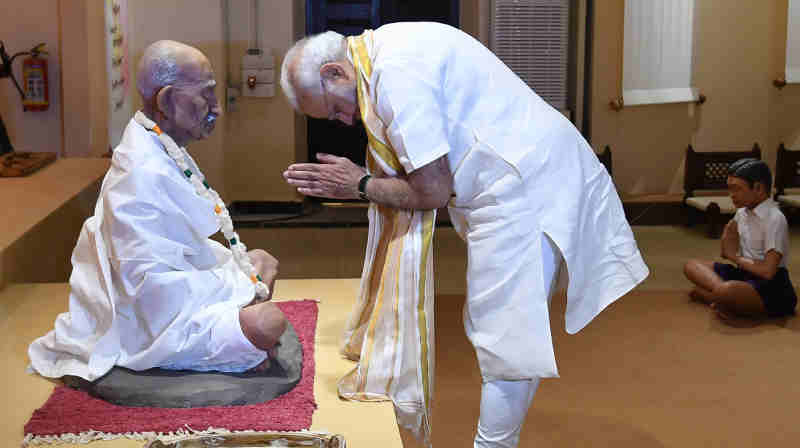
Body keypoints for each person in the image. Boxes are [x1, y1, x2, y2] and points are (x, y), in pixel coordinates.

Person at [280, 22, 649, 448]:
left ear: (334, 73)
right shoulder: (387, 44)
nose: (345, 121)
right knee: (505, 330)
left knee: (506, 336)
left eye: (333, 110)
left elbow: (430, 191)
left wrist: (359, 185)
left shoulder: (395, 74)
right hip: (519, 178)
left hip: (524, 187)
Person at [28, 40, 287, 382]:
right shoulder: (141, 170)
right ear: (166, 100)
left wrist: (234, 280)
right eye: (206, 96)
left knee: (262, 261)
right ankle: (228, 350)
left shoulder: (158, 142)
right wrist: (233, 287)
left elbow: (182, 250)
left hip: (180, 288)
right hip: (147, 324)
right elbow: (151, 292)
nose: (216, 109)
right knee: (268, 321)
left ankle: (237, 345)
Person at [684, 158, 797, 323]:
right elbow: (726, 250)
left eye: (736, 189)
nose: (731, 195)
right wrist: (726, 244)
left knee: (727, 290)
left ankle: (720, 297)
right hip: (744, 275)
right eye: (729, 189)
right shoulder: (742, 212)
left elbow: (768, 271)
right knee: (691, 266)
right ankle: (723, 298)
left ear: (758, 188)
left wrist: (734, 257)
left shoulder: (775, 218)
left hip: (771, 285)